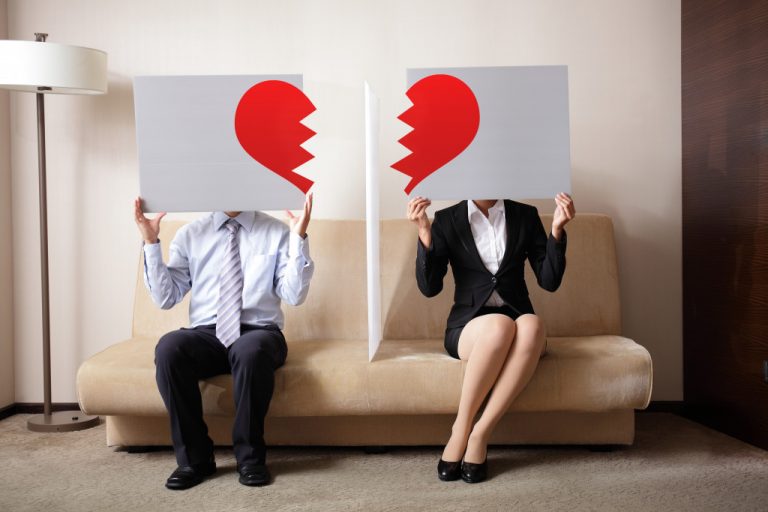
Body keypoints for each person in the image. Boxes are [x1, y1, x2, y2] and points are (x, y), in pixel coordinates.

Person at [133, 193, 314, 490]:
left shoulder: (277, 232)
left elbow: (294, 295)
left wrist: (298, 237)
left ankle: (250, 458)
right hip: (207, 333)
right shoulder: (190, 234)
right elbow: (166, 298)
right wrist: (151, 243)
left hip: (260, 332)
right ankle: (194, 460)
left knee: (249, 350)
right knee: (169, 348)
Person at [408, 193, 575, 483]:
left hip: (518, 322)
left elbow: (549, 281)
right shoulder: (448, 219)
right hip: (468, 327)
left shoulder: (525, 214)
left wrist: (557, 231)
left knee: (533, 325)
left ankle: (480, 433)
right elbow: (429, 287)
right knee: (499, 325)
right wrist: (425, 232)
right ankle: (460, 429)